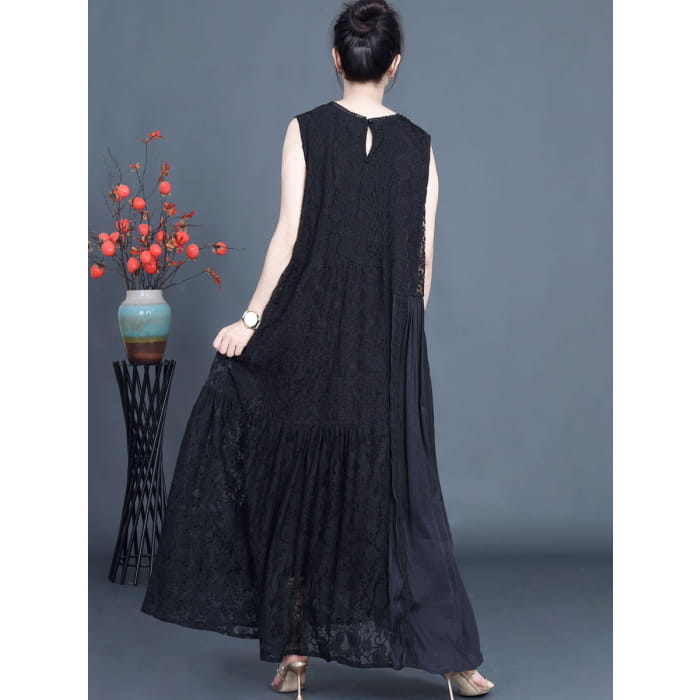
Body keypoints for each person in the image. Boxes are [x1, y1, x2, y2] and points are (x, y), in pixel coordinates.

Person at [141, 1, 496, 697]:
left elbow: (288, 237)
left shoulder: (304, 130)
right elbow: (421, 261)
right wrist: (399, 344)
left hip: (306, 335)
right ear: (394, 64)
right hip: (386, 344)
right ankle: (456, 660)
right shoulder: (420, 146)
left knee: (300, 487)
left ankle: (294, 651)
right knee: (405, 497)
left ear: (337, 59)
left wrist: (250, 321)